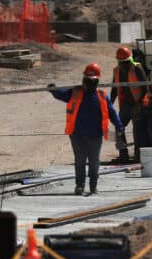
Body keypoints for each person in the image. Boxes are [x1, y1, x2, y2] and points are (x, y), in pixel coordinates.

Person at [49, 63, 124, 196]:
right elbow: (61, 94)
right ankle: (80, 186)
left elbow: (112, 113)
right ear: (83, 80)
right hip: (77, 135)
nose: (88, 84)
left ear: (96, 82)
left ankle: (93, 186)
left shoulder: (102, 96)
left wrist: (119, 127)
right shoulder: (75, 93)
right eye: (86, 81)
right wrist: (53, 89)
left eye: (91, 81)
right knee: (80, 161)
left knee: (94, 162)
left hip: (95, 136)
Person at [111, 46, 149, 163]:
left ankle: (138, 156)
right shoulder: (117, 71)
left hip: (139, 104)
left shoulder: (137, 68)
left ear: (129, 60)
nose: (123, 65)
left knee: (138, 131)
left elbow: (145, 88)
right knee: (119, 128)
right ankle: (123, 155)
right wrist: (109, 104)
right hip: (126, 105)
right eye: (121, 62)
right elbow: (114, 90)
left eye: (126, 62)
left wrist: (138, 104)